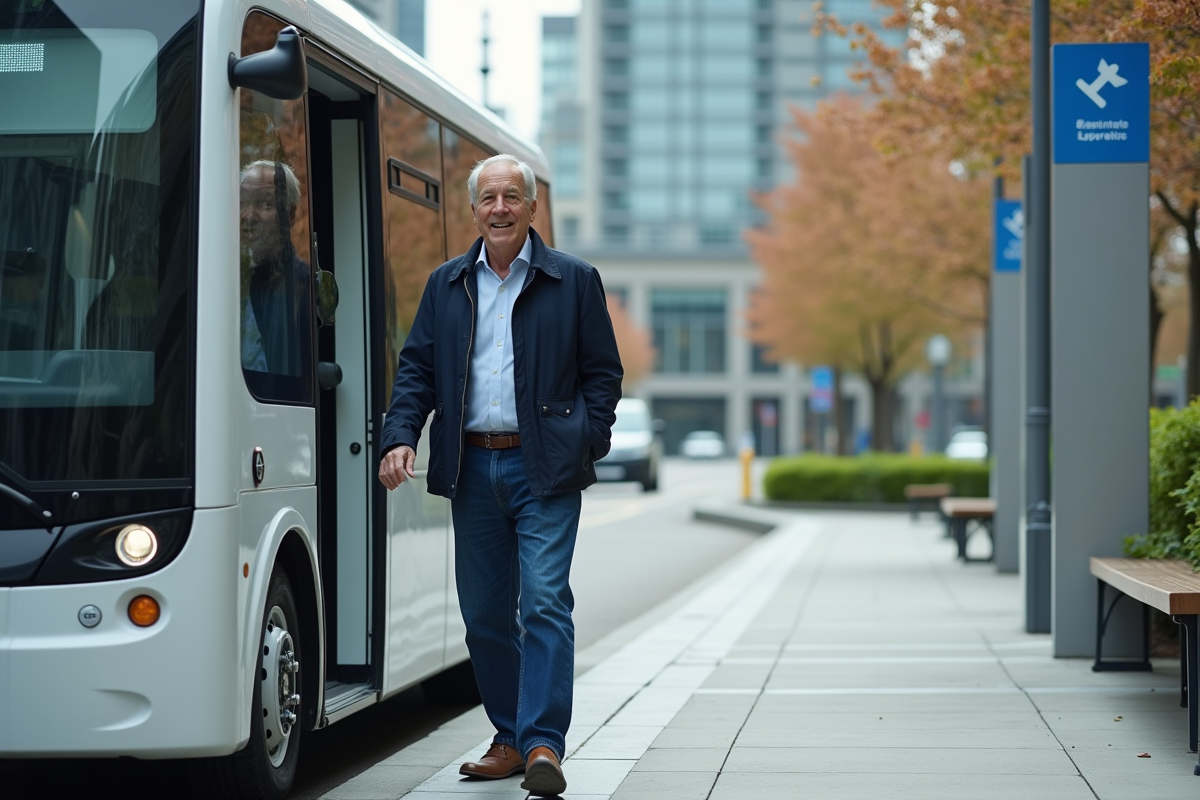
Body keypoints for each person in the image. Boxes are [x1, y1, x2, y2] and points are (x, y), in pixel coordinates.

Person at [378, 154, 622, 797]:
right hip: (471, 465)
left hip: (544, 467)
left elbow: (604, 373)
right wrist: (400, 436)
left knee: (543, 600)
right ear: (474, 208)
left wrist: (584, 441)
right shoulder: (447, 284)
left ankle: (543, 741)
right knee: (485, 614)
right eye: (489, 198)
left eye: (512, 196)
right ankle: (510, 737)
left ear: (533, 207)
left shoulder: (574, 281)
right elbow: (416, 373)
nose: (500, 208)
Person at [239, 159, 308, 375]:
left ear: (290, 215)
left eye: (266, 204)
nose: (249, 216)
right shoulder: (228, 279)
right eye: (242, 202)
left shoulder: (304, 286)